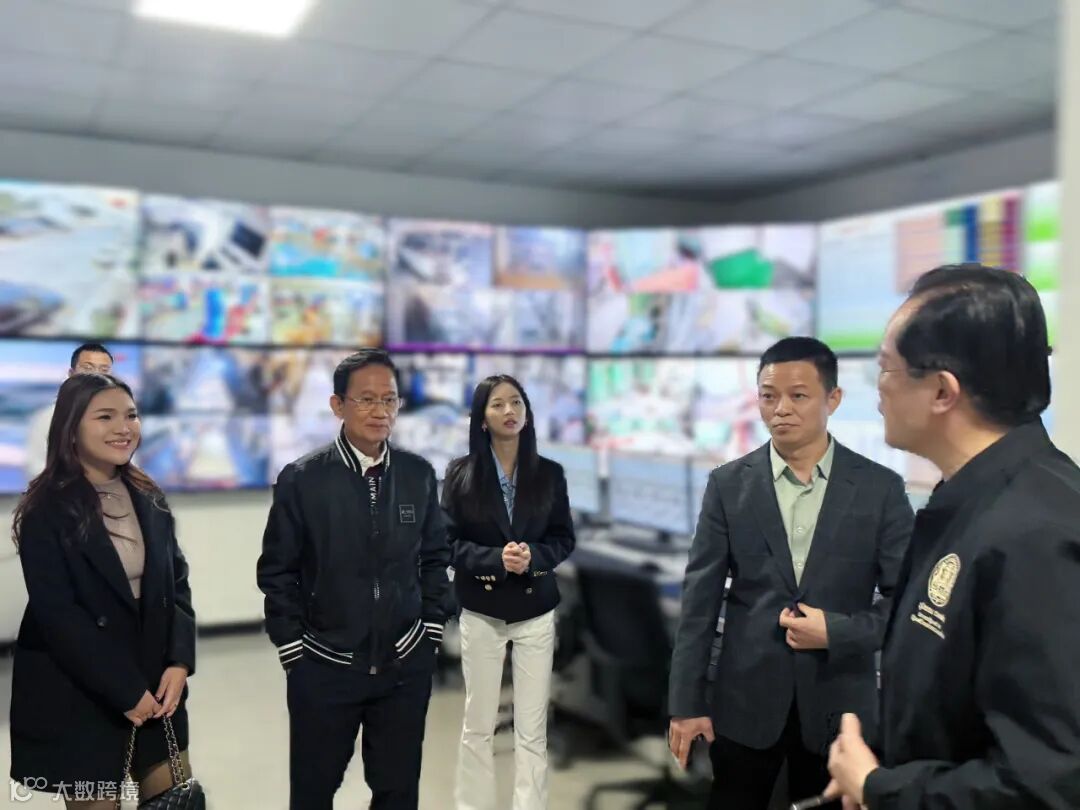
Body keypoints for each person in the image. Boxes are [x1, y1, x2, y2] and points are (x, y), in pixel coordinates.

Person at [825, 264, 1080, 809]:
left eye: (884, 369)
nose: (877, 390)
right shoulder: (969, 498)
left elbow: (1044, 787)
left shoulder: (1037, 536)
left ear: (942, 391)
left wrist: (879, 788)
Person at [668, 337, 914, 809]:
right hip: (744, 701)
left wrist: (836, 631)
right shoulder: (728, 485)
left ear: (833, 399)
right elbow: (699, 602)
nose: (781, 409)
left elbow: (905, 605)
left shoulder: (880, 489)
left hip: (839, 708)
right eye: (768, 396)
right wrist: (686, 703)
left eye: (798, 395)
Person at [256, 348, 451, 810]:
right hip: (325, 664)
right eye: (366, 399)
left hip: (403, 664)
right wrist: (293, 648)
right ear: (338, 405)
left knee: (397, 792)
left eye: (389, 399)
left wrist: (430, 630)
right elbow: (277, 570)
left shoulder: (418, 474)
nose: (380, 411)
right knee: (313, 792)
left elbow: (435, 558)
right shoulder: (303, 479)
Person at [9, 373, 196, 809]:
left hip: (155, 684)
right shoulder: (45, 510)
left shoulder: (149, 496)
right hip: (83, 690)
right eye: (105, 417)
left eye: (131, 415)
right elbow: (59, 616)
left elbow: (177, 584)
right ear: (71, 428)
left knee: (175, 798)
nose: (123, 428)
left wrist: (179, 661)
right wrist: (124, 691)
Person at [443, 374, 576, 810]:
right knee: (478, 726)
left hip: (535, 611)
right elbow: (446, 544)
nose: (509, 411)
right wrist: (494, 559)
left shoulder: (549, 474)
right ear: (482, 418)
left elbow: (563, 539)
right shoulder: (461, 474)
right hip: (482, 610)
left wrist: (533, 556)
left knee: (532, 731)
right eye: (498, 404)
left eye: (516, 402)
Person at [25, 342, 114, 479]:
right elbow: (36, 468)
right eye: (88, 368)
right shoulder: (47, 418)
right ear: (71, 374)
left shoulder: (120, 419)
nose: (96, 376)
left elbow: (129, 465)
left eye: (104, 370)